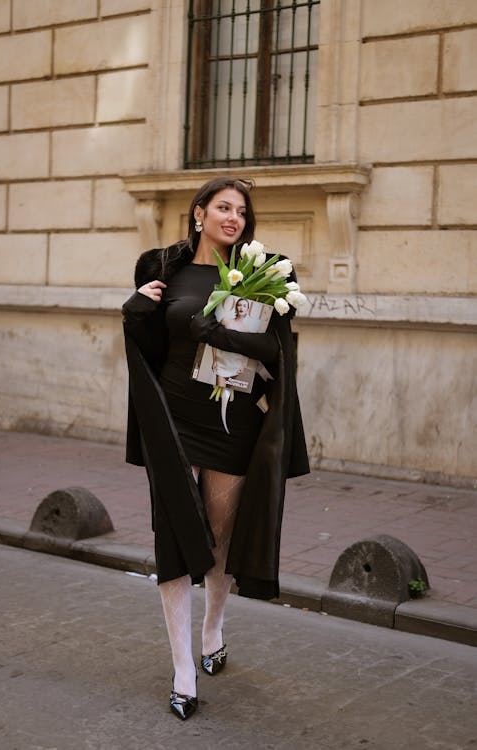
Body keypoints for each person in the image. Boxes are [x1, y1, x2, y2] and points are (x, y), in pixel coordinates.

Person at [122, 177, 309, 721]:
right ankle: (183, 669)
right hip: (174, 419)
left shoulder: (267, 271)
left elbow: (277, 350)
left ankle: (213, 626)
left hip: (233, 427)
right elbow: (154, 348)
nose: (234, 218)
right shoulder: (161, 267)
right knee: (177, 533)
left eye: (242, 212)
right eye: (224, 207)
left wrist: (219, 335)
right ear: (198, 212)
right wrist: (135, 313)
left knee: (220, 538)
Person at [212, 297, 251, 387]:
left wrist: (243, 365)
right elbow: (215, 340)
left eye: (244, 306)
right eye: (239, 305)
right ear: (236, 307)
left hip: (236, 365)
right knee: (219, 390)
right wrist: (215, 360)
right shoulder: (226, 321)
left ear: (247, 309)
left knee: (227, 393)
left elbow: (246, 351)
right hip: (221, 362)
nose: (241, 307)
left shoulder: (247, 331)